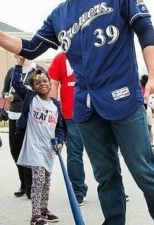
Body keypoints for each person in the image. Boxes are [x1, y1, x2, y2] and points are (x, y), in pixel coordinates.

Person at [0, 0, 154, 223]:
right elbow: (30, 47)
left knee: (144, 171)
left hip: (123, 98)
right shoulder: (60, 14)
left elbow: (145, 28)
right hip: (86, 108)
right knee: (105, 176)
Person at [12, 56, 66, 225]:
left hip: (48, 149)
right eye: (37, 82)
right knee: (39, 180)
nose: (42, 83)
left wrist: (60, 141)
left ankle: (44, 209)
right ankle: (35, 215)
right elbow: (16, 83)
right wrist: (19, 64)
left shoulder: (55, 105)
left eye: (45, 81)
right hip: (34, 147)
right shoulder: (30, 98)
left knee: (47, 181)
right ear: (33, 87)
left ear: (50, 84)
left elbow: (60, 127)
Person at [2, 56, 45, 198]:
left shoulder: (37, 70)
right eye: (16, 54)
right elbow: (4, 91)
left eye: (21, 53)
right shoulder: (11, 71)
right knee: (15, 151)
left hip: (31, 116)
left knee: (30, 152)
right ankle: (23, 183)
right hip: (14, 116)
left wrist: (16, 97)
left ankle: (31, 186)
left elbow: (39, 91)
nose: (18, 56)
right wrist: (7, 95)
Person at [48, 52, 87, 205]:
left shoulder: (95, 49)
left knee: (105, 153)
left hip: (97, 112)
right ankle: (78, 190)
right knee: (74, 154)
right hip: (71, 114)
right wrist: (53, 109)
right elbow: (54, 84)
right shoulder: (61, 58)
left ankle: (115, 190)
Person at [140, 74, 154, 151]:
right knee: (143, 127)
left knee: (149, 127)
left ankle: (151, 144)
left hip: (148, 107)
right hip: (140, 107)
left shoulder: (149, 87)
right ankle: (144, 144)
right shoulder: (139, 86)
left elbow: (153, 98)